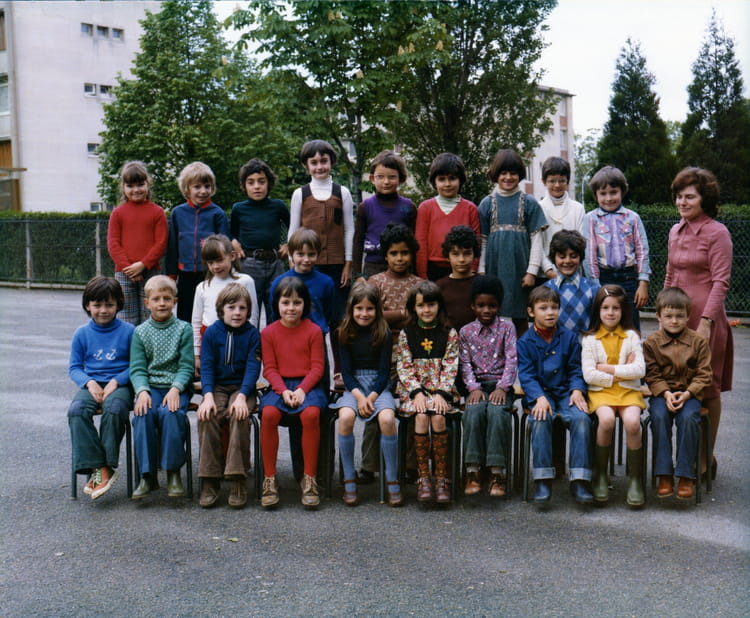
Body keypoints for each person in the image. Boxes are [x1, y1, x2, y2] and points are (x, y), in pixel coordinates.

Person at [665, 167, 733, 478]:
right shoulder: (674, 231)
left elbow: (721, 281)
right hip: (676, 319)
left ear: (704, 199)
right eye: (679, 196)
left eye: (689, 196)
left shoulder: (717, 233)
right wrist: (664, 315)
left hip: (706, 319)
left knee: (707, 388)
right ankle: (684, 456)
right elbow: (670, 275)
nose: (682, 202)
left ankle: (706, 457)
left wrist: (706, 321)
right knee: (678, 385)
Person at [517, 286, 593, 505]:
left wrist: (577, 390)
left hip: (565, 393)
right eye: (543, 308)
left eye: (554, 307)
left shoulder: (569, 337)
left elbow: (576, 369)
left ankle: (579, 479)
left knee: (581, 418)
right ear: (531, 312)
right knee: (540, 418)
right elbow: (526, 375)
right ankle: (543, 479)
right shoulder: (524, 342)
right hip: (541, 394)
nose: (550, 312)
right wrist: (538, 397)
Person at [330, 283, 402, 507]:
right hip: (354, 387)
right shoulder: (344, 333)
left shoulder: (384, 333)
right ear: (351, 309)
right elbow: (346, 373)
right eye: (359, 308)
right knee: (345, 417)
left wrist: (370, 398)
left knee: (387, 419)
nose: (364, 313)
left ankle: (392, 479)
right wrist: (360, 398)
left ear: (377, 310)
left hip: (378, 388)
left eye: (369, 308)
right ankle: (349, 480)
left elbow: (384, 373)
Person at [259, 277, 327, 509]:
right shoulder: (268, 332)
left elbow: (317, 367)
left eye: (297, 303)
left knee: (310, 414)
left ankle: (309, 478)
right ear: (276, 304)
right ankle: (269, 478)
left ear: (305, 304)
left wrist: (301, 389)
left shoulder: (314, 331)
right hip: (280, 385)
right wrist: (283, 390)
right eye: (285, 302)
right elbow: (269, 368)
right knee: (269, 414)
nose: (291, 308)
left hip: (308, 385)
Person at [364, 223, 423, 483]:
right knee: (376, 406)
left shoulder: (420, 285)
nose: (400, 258)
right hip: (382, 358)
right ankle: (368, 466)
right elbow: (370, 318)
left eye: (405, 253)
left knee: (412, 407)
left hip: (414, 359)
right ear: (385, 255)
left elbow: (422, 318)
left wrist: (391, 318)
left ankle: (411, 465)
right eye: (394, 253)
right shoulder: (375, 284)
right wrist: (402, 314)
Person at [68, 276, 134, 500]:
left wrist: (117, 381)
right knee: (76, 411)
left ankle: (104, 467)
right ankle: (100, 467)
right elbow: (74, 368)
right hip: (92, 384)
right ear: (88, 306)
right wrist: (89, 382)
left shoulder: (129, 331)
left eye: (109, 304)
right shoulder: (81, 333)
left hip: (121, 385)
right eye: (97, 305)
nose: (103, 310)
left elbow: (137, 365)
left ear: (118, 305)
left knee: (114, 409)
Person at [643, 287, 713, 500]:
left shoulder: (698, 342)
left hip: (689, 395)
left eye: (680, 316)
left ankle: (685, 475)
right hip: (662, 394)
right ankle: (664, 474)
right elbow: (651, 375)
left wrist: (688, 394)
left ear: (688, 316)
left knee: (689, 418)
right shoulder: (652, 343)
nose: (674, 321)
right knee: (659, 416)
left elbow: (704, 374)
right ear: (658, 316)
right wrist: (665, 393)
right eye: (669, 316)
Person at [196, 283, 261, 509]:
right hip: (217, 387)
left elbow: (253, 368)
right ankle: (210, 479)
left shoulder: (252, 334)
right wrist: (207, 396)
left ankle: (237, 478)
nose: (237, 313)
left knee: (239, 415)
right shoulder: (212, 332)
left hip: (243, 388)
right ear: (221, 309)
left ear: (248, 311)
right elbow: (206, 366)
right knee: (208, 415)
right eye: (231, 307)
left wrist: (242, 395)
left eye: (242, 308)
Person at [581, 285, 646, 506]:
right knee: (607, 420)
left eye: (615, 308)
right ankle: (600, 474)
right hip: (601, 393)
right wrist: (621, 373)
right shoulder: (589, 339)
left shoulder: (632, 336)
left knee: (633, 422)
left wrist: (607, 369)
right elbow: (589, 375)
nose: (610, 313)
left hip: (629, 392)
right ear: (597, 310)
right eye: (605, 308)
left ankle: (635, 480)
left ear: (623, 310)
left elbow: (639, 370)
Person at [130, 276, 194, 499]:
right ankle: (147, 476)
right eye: (156, 299)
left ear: (175, 301)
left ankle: (173, 472)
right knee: (143, 414)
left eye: (167, 298)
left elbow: (186, 366)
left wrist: (176, 389)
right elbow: (137, 368)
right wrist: (142, 391)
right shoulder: (140, 332)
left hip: (176, 387)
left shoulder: (184, 329)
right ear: (147, 303)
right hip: (151, 388)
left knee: (171, 414)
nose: (162, 303)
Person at [395, 281, 460, 503]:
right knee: (421, 416)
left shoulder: (449, 333)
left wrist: (442, 392)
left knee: (439, 418)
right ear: (413, 308)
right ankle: (423, 477)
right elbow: (404, 366)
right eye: (421, 305)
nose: (426, 310)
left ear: (439, 306)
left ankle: (441, 477)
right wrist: (416, 392)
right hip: (415, 392)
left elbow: (451, 365)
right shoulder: (406, 333)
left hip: (441, 390)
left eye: (431, 305)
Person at [478, 149, 548, 336]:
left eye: (513, 173)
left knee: (520, 317)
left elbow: (537, 239)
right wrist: (482, 270)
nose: (508, 177)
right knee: (494, 315)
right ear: (496, 174)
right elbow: (483, 240)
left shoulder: (529, 203)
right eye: (503, 173)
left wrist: (532, 271)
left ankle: (522, 353)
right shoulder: (486, 204)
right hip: (494, 269)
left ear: (520, 174)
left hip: (520, 271)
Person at [458, 275, 517, 497]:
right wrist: (473, 388)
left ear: (499, 306)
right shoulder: (465, 332)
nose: (486, 310)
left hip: (501, 386)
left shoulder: (507, 328)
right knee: (473, 413)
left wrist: (503, 387)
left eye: (492, 305)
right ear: (473, 306)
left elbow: (512, 360)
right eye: (481, 305)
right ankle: (473, 470)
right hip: (477, 387)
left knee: (497, 413)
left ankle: (497, 472)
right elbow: (464, 364)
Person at [288, 139, 354, 313]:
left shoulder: (343, 192)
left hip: (337, 264)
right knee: (310, 310)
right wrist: (291, 261)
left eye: (324, 161)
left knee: (337, 313)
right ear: (306, 165)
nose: (319, 167)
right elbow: (293, 230)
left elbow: (349, 230)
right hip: (308, 263)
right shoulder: (300, 194)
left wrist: (348, 265)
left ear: (331, 162)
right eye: (314, 162)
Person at [582, 165, 650, 331]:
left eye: (613, 192)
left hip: (629, 279)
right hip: (603, 278)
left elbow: (642, 250)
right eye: (603, 193)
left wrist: (643, 282)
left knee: (630, 326)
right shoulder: (590, 219)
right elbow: (589, 255)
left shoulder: (633, 218)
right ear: (596, 195)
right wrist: (595, 285)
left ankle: (632, 349)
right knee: (604, 324)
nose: (608, 198)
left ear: (622, 191)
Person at [166, 162, 230, 322]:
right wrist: (171, 276)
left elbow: (225, 248)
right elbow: (172, 247)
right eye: (197, 187)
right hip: (185, 275)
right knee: (185, 317)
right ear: (187, 189)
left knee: (210, 315)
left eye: (207, 186)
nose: (203, 191)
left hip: (210, 274)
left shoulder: (217, 214)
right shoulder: (178, 213)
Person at [230, 158, 290, 326]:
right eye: (251, 182)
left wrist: (288, 244)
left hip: (275, 263)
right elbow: (230, 232)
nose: (256, 186)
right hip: (249, 264)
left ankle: (274, 342)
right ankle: (251, 343)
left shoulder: (278, 206)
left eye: (261, 181)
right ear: (244, 185)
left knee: (277, 309)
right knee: (249, 311)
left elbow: (294, 227)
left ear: (268, 183)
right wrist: (233, 242)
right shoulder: (238, 209)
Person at [107, 161, 167, 325]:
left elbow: (161, 243)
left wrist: (143, 265)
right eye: (130, 186)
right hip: (124, 273)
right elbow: (113, 244)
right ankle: (128, 343)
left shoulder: (157, 212)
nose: (136, 190)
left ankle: (148, 342)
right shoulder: (117, 213)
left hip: (151, 271)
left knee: (151, 314)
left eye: (140, 185)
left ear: (148, 184)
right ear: (123, 187)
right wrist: (129, 269)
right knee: (126, 315)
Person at [191, 235, 259, 373]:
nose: (215, 266)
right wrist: (196, 354)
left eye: (220, 260)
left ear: (232, 256)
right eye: (210, 262)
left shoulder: (245, 281)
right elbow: (196, 322)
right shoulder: (202, 287)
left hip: (239, 338)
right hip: (210, 343)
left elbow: (252, 316)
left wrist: (250, 344)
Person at [415, 152, 480, 281]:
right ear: (434, 182)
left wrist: (472, 270)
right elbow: (420, 243)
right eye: (442, 179)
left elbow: (477, 243)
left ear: (460, 180)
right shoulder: (425, 208)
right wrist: (422, 275)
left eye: (452, 178)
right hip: (433, 270)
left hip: (463, 268)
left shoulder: (470, 209)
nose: (447, 184)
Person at [353, 150, 416, 280]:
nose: (386, 182)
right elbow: (358, 241)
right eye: (380, 177)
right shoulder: (365, 207)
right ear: (372, 179)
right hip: (373, 267)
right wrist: (357, 274)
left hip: (402, 266)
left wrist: (415, 272)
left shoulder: (408, 207)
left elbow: (414, 241)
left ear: (401, 179)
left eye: (392, 177)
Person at [269, 228, 335, 339]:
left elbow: (328, 312)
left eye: (311, 254)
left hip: (316, 337)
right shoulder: (279, 282)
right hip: (288, 336)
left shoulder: (326, 282)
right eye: (300, 254)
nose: (306, 259)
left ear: (318, 254)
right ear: (291, 254)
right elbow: (275, 313)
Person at [544, 230, 600, 336]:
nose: (567, 261)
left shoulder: (593, 289)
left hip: (585, 344)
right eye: (562, 257)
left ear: (580, 257)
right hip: (554, 345)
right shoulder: (545, 290)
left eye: (573, 256)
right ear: (554, 258)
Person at [538, 156, 585, 282]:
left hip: (573, 273)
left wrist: (571, 267)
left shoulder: (578, 208)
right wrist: (548, 270)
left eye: (562, 181)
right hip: (545, 275)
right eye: (552, 181)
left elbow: (582, 242)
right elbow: (537, 244)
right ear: (544, 181)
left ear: (568, 181)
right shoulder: (538, 208)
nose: (557, 185)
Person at [437, 225, 480, 333]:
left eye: (467, 253)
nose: (461, 259)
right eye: (455, 254)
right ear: (447, 256)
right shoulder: (440, 286)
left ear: (475, 254)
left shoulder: (482, 284)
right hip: (449, 340)